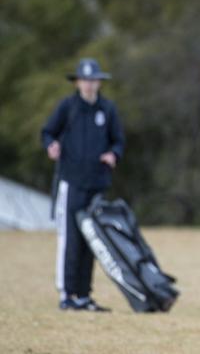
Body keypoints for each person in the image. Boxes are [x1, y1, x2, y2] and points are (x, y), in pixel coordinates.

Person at [41, 58, 125, 312]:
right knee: (70, 240)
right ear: (78, 82)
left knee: (91, 240)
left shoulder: (107, 109)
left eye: (93, 80)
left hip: (97, 185)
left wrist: (113, 155)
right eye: (85, 80)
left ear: (99, 82)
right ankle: (67, 294)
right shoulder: (68, 107)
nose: (89, 85)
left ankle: (83, 296)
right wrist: (51, 146)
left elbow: (118, 141)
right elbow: (48, 132)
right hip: (71, 182)